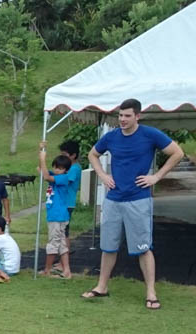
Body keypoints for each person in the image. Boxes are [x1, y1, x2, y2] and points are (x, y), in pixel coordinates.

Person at [81, 98, 184, 309]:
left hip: (138, 199)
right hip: (113, 199)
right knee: (108, 245)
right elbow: (92, 154)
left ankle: (151, 293)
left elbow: (177, 153)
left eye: (127, 116)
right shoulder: (111, 137)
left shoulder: (150, 134)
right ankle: (101, 287)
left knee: (143, 247)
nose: (122, 120)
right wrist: (102, 175)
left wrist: (156, 177)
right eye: (120, 115)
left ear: (138, 116)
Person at [39, 143, 73, 279]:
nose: (56, 170)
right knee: (61, 244)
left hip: (57, 216)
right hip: (56, 215)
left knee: (53, 243)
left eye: (59, 168)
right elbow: (42, 170)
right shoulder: (56, 175)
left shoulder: (63, 178)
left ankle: (47, 269)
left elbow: (47, 177)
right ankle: (67, 271)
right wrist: (41, 151)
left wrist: (43, 158)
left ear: (65, 170)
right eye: (55, 167)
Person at [59, 140, 82, 252]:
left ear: (73, 155)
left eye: (64, 155)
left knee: (64, 232)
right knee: (62, 231)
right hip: (63, 203)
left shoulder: (74, 169)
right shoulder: (70, 168)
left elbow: (64, 181)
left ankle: (64, 258)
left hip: (67, 203)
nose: (62, 157)